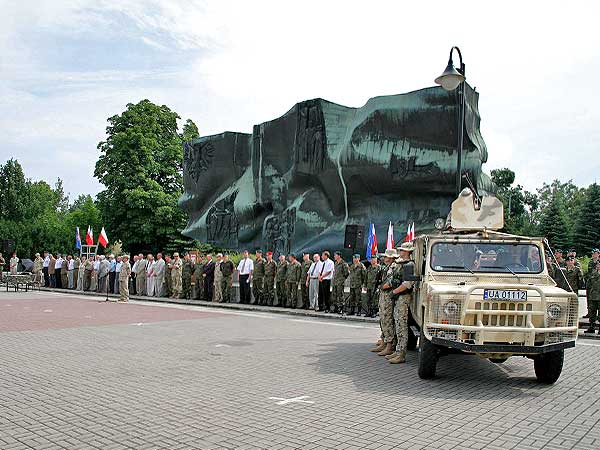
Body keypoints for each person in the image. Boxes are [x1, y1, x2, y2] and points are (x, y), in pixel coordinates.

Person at [385, 242, 416, 364]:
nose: (401, 252)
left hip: (403, 297)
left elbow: (408, 284)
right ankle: (398, 350)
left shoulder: (409, 265)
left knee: (401, 325)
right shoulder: (403, 264)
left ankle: (401, 353)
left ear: (408, 252)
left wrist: (394, 292)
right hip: (400, 297)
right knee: (398, 324)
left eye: (403, 250)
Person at [370, 249, 398, 356]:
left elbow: (390, 283)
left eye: (386, 257)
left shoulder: (394, 267)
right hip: (383, 295)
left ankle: (389, 345)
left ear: (391, 258)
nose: (384, 259)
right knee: (383, 319)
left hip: (388, 295)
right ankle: (384, 341)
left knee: (387, 319)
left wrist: (382, 286)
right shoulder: (387, 267)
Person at [585, 259, 600, 333]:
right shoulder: (593, 273)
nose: (598, 265)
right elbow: (589, 283)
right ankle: (591, 327)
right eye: (597, 264)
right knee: (592, 313)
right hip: (593, 295)